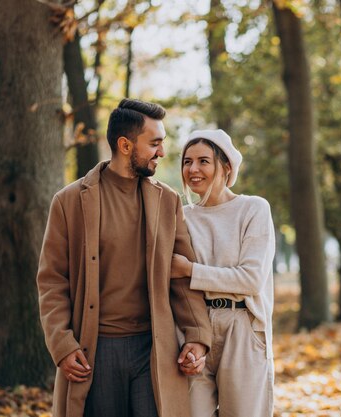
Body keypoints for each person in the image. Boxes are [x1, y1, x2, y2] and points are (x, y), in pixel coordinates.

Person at [36, 99, 212, 417]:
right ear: (126, 145)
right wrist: (61, 344)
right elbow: (52, 281)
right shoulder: (69, 202)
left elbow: (181, 277)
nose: (161, 152)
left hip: (154, 348)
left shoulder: (167, 201)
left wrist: (197, 337)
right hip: (96, 350)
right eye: (155, 143)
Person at [171, 129, 275, 417]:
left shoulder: (253, 209)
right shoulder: (181, 216)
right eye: (187, 161)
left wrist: (190, 270)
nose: (193, 169)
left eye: (203, 161)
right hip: (194, 329)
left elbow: (251, 280)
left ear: (226, 166)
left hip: (243, 327)